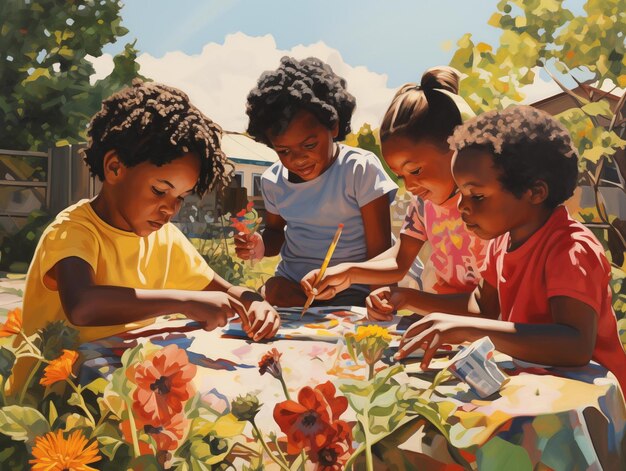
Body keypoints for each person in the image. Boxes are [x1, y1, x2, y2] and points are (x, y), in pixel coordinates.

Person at [19, 80, 280, 358]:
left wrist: (253, 301)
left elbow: (224, 290)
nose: (170, 209)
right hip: (59, 388)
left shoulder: (164, 237)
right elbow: (83, 305)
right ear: (115, 167)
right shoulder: (72, 230)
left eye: (181, 197)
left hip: (120, 376)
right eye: (159, 190)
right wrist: (185, 301)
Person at [391, 105, 626, 392]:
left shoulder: (570, 249)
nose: (463, 207)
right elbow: (481, 308)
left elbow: (575, 345)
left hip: (590, 402)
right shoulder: (501, 242)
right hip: (539, 388)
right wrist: (408, 299)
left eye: (476, 196)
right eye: (462, 193)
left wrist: (469, 329)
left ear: (535, 192)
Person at [301, 66, 488, 316]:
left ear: (456, 148)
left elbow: (489, 307)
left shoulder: (490, 207)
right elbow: (400, 261)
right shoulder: (424, 204)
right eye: (401, 176)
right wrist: (347, 273)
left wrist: (408, 298)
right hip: (443, 320)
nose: (410, 186)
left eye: (416, 170)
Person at [234, 57, 397, 307]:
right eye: (284, 151)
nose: (298, 159)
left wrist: (380, 301)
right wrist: (261, 244)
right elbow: (276, 233)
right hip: (296, 285)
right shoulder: (273, 182)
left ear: (333, 126)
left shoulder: (359, 169)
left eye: (309, 145)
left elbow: (380, 253)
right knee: (273, 289)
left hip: (353, 287)